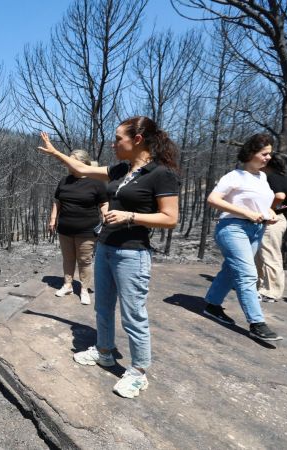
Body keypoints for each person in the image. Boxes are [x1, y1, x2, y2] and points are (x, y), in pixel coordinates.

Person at [38, 116, 180, 399]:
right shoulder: (121, 169)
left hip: (132, 253)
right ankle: (104, 352)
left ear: (137, 140)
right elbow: (81, 167)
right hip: (105, 246)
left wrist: (131, 216)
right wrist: (55, 152)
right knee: (102, 307)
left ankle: (139, 372)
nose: (113, 143)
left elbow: (170, 218)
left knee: (133, 315)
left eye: (118, 138)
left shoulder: (160, 173)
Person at [203, 133, 282, 341]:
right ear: (251, 153)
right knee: (247, 274)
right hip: (232, 228)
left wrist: (270, 213)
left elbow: (262, 204)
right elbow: (212, 199)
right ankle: (257, 322)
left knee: (230, 269)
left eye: (269, 155)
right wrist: (244, 212)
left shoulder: (263, 178)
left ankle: (212, 305)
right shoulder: (234, 176)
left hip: (256, 229)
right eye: (264, 154)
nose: (268, 158)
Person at [48, 149, 108, 304]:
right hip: (65, 229)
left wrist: (106, 216)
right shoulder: (64, 181)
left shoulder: (96, 182)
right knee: (68, 258)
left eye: (73, 160)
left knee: (84, 260)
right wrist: (53, 219)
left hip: (87, 230)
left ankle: (84, 289)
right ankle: (67, 285)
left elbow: (104, 202)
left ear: (84, 163)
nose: (69, 163)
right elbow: (57, 201)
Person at [255, 153, 287, 302]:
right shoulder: (282, 179)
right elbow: (286, 203)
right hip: (277, 219)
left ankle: (271, 292)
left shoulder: (272, 178)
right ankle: (260, 287)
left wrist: (269, 210)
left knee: (269, 255)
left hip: (272, 221)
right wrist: (278, 210)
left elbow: (280, 196)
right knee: (260, 255)